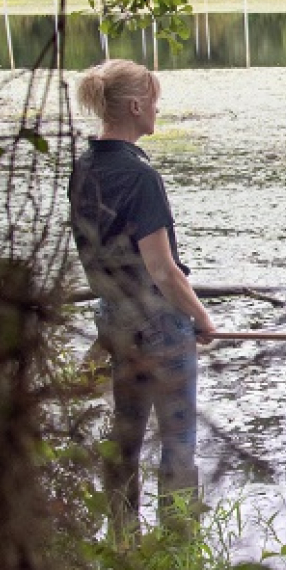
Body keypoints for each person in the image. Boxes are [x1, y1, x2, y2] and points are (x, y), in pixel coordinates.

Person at [69, 58, 217, 535]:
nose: (157, 108)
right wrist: (200, 317)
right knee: (178, 444)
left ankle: (122, 544)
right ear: (134, 106)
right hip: (159, 325)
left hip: (114, 319)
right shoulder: (140, 176)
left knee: (125, 438)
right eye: (153, 100)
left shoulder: (83, 166)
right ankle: (179, 552)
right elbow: (162, 270)